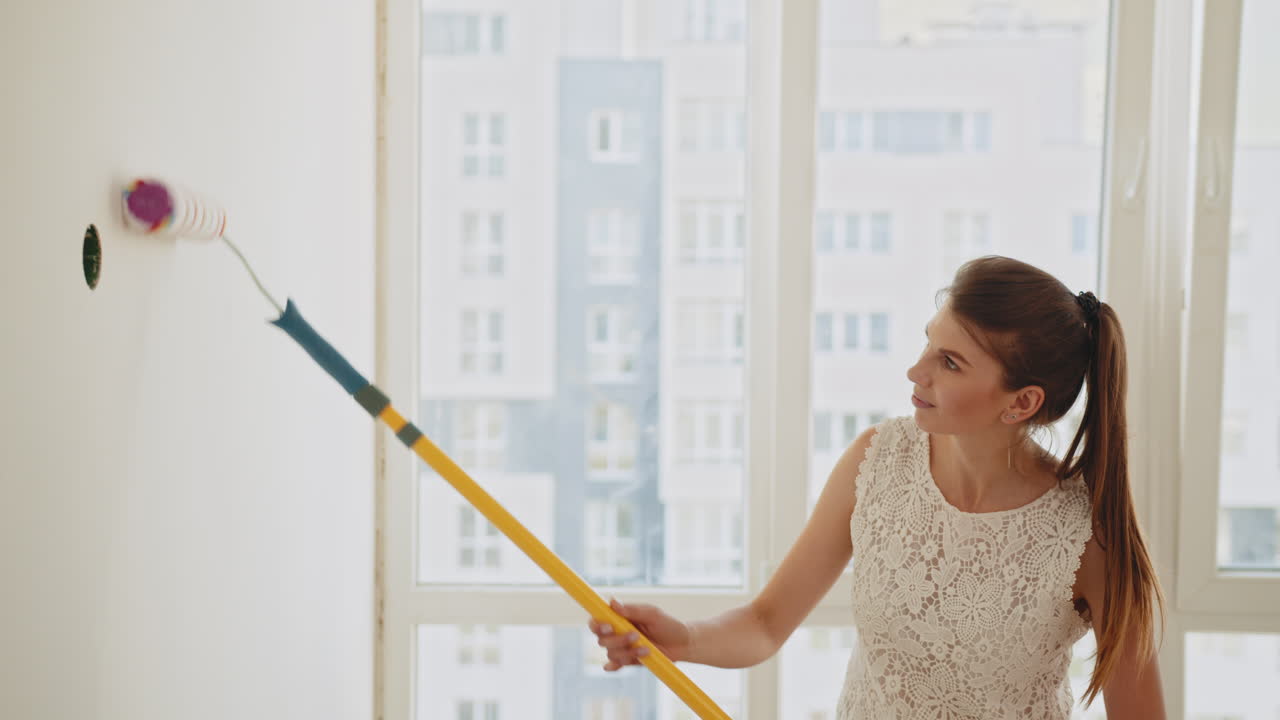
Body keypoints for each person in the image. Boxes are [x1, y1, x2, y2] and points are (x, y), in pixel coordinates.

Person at [588, 255, 1167, 718]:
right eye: (927, 344)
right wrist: (681, 640)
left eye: (951, 362)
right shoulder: (878, 461)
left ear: (1022, 402)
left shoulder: (1090, 536)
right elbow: (766, 625)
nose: (917, 372)